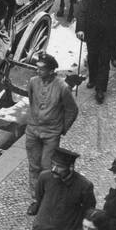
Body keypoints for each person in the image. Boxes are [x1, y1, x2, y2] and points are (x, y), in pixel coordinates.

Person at [24, 54, 79, 195]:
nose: (38, 71)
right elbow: (32, 101)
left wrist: (62, 128)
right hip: (32, 130)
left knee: (47, 166)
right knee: (34, 165)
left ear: (51, 71)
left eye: (41, 69)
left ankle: (48, 193)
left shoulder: (62, 87)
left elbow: (72, 110)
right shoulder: (32, 82)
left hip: (51, 133)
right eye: (37, 68)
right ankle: (36, 196)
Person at [75, 0, 116, 103]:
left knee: (104, 62)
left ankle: (100, 89)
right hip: (92, 35)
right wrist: (80, 29)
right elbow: (81, 12)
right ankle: (92, 79)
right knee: (92, 58)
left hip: (108, 37)